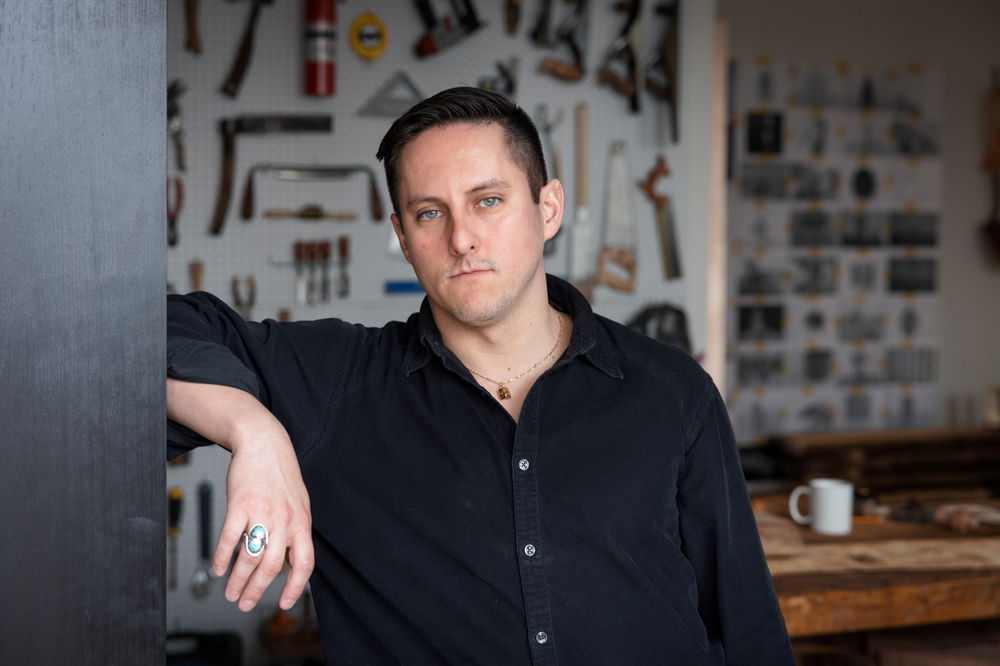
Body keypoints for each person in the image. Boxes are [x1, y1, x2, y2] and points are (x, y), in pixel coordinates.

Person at [167, 86, 795, 665]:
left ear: (548, 208)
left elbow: (746, 624)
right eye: (429, 214)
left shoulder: (671, 389)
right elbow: (142, 332)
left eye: (487, 201)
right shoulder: (337, 381)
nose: (462, 238)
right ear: (403, 238)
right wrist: (254, 430)